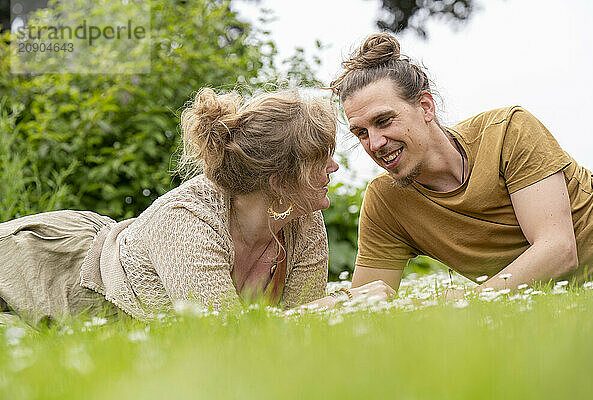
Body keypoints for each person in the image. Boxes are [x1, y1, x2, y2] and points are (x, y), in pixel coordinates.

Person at [0, 87, 394, 327]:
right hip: (55, 266)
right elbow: (223, 335)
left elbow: (295, 331)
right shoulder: (185, 221)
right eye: (319, 159)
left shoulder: (303, 219)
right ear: (278, 181)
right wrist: (344, 302)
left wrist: (333, 312)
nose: (334, 166)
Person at [329, 33, 593, 298]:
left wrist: (470, 301)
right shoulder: (386, 201)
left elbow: (559, 250)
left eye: (384, 121)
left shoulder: (508, 131)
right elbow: (366, 298)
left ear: (426, 107)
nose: (374, 143)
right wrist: (319, 307)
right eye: (361, 133)